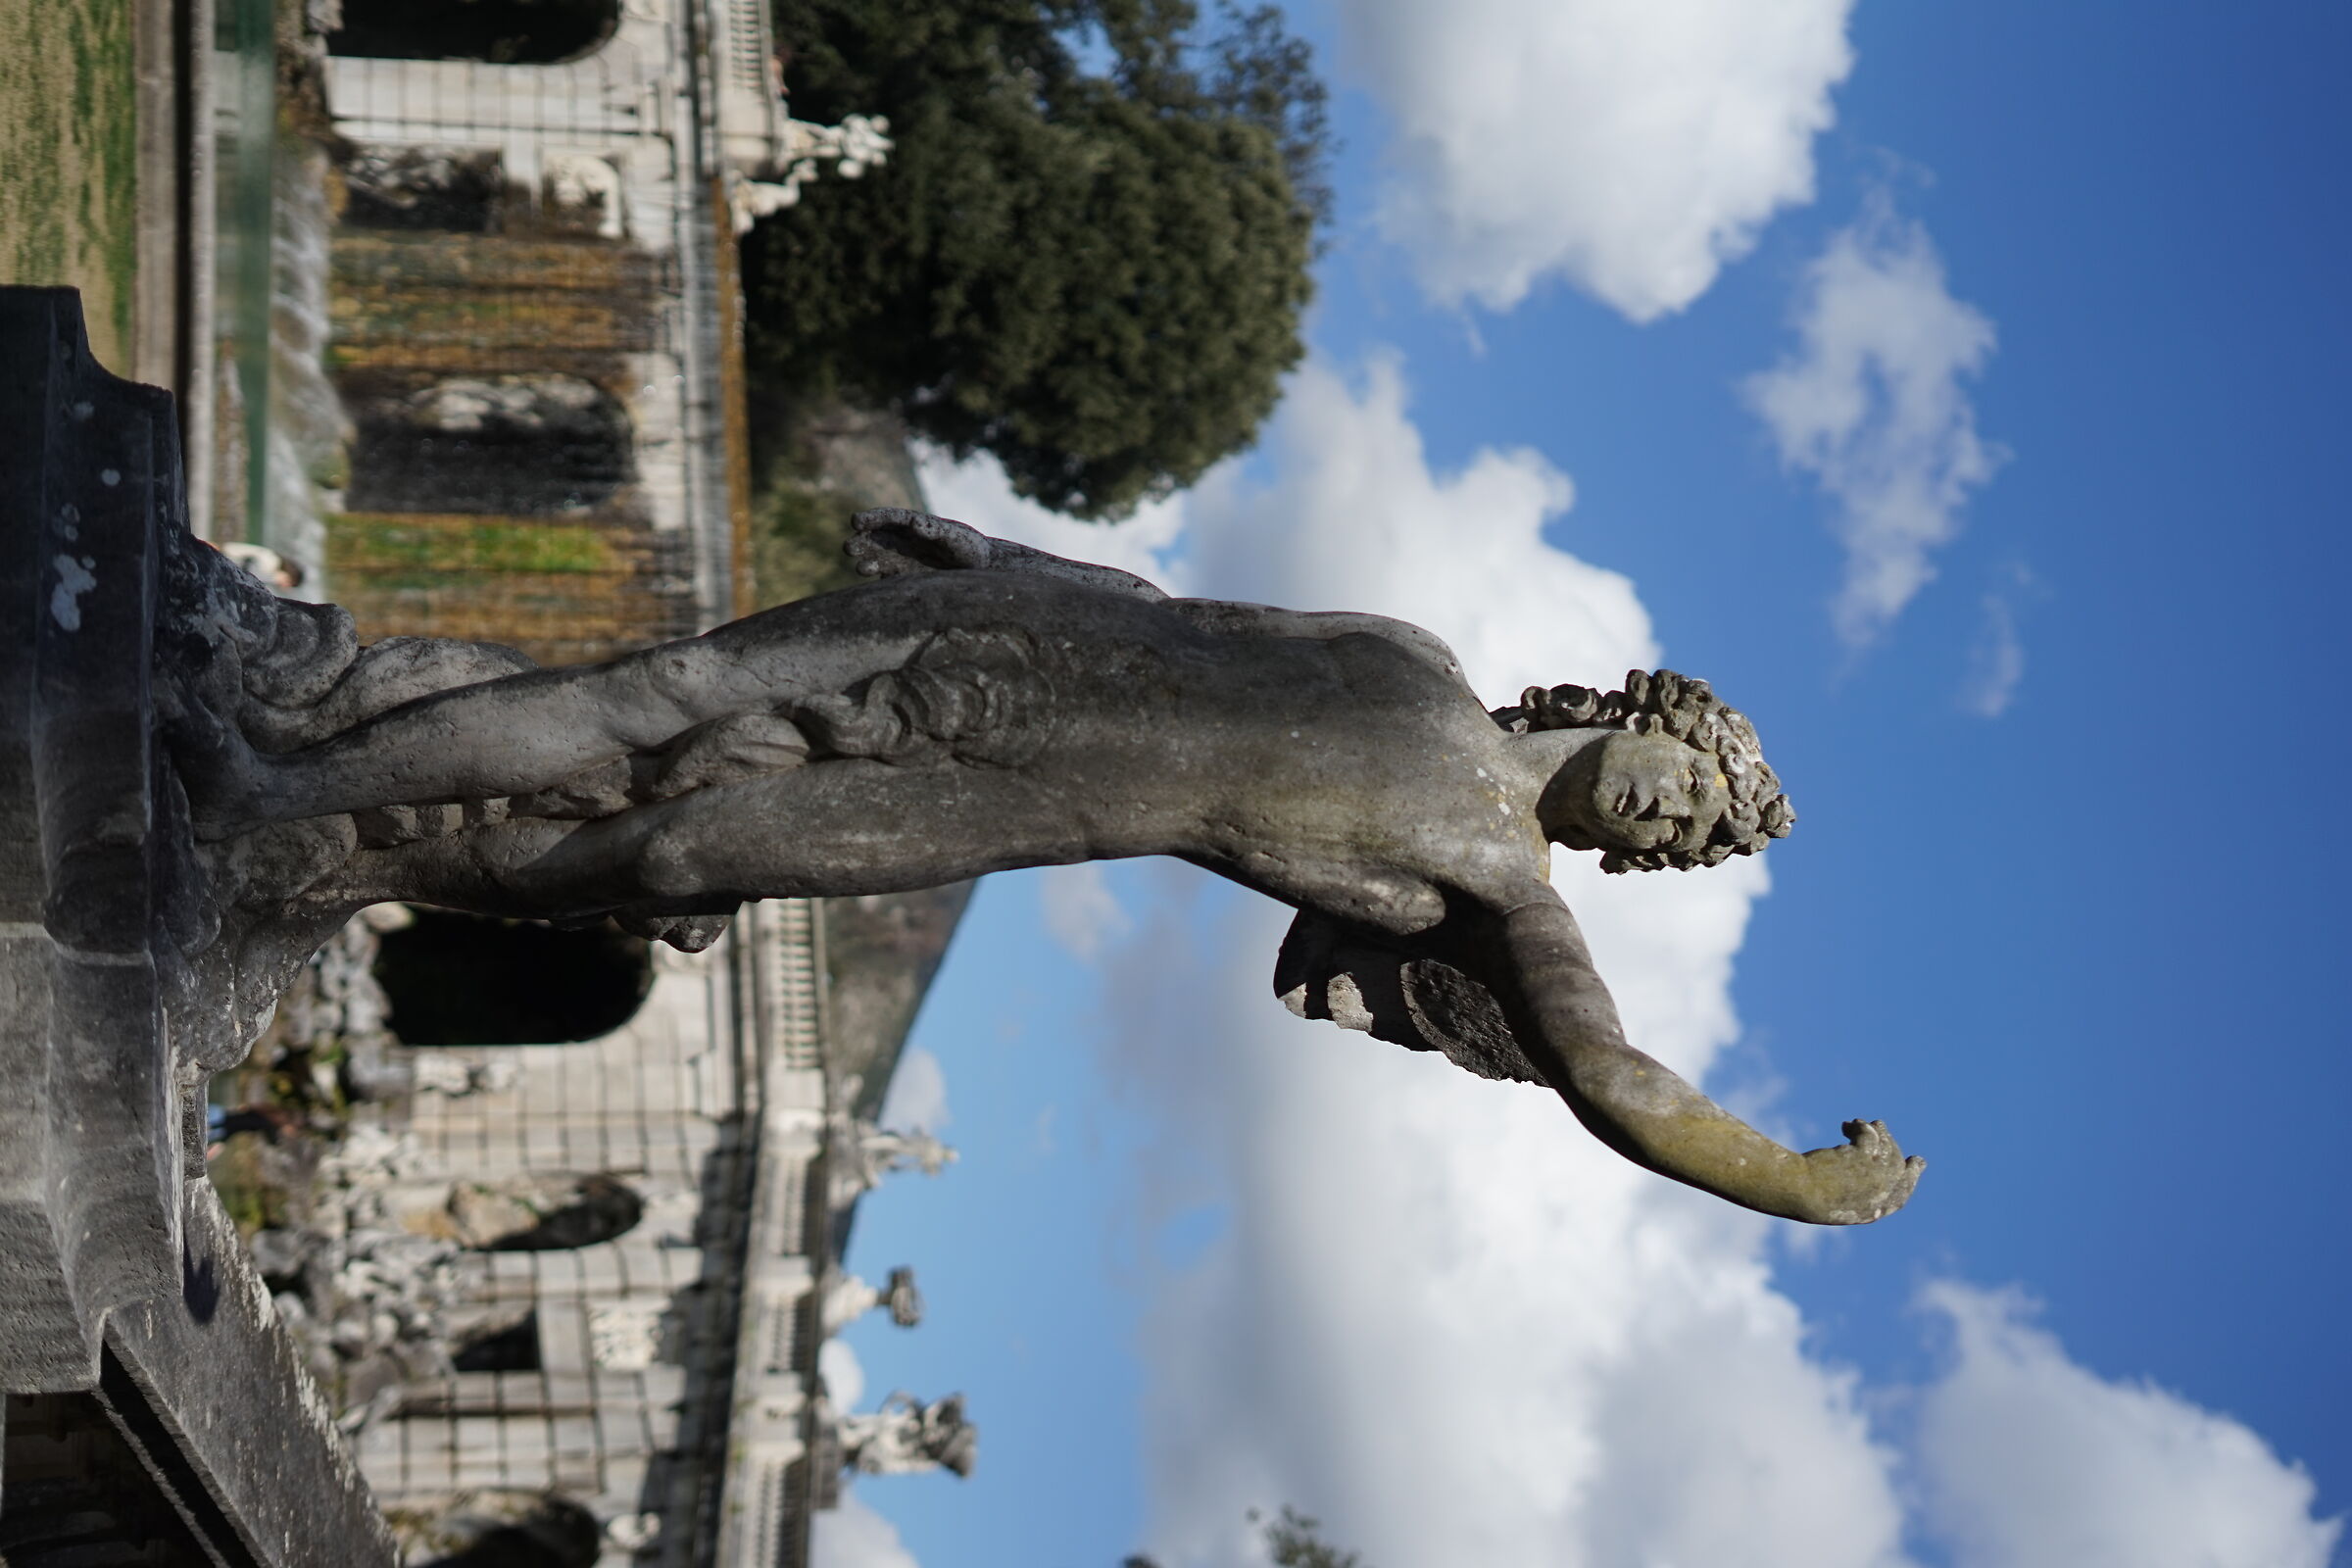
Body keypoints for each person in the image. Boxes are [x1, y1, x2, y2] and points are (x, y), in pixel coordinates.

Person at [179, 510, 1922, 1226]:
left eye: (1687, 842)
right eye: (1693, 785)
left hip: (1008, 800)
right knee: (659, 690)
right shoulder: (1415, 653)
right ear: (1647, 713)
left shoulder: (1500, 893)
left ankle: (322, 842)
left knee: (663, 840)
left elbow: (1607, 1077)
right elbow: (1191, 617)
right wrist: (1004, 550)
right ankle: (267, 781)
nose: (1670, 822)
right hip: (1015, 637)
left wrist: (1782, 1173)